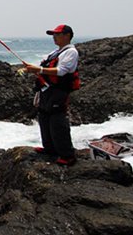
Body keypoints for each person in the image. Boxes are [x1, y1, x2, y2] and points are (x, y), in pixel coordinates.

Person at [24, 24, 80, 166]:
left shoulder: (71, 52)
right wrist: (34, 69)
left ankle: (67, 155)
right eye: (53, 35)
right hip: (46, 91)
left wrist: (39, 69)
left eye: (57, 34)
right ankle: (49, 149)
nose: (54, 37)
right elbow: (47, 69)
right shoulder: (56, 52)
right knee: (44, 116)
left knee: (57, 120)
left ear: (67, 36)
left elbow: (61, 71)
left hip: (59, 91)